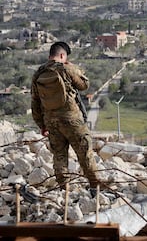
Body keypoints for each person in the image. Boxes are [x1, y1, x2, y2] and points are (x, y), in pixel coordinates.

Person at [31, 41, 100, 190]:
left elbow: (35, 103)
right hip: (72, 120)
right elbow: (84, 85)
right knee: (84, 153)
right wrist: (72, 66)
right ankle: (95, 187)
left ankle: (64, 189)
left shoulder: (38, 73)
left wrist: (42, 125)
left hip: (51, 122)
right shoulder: (67, 69)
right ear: (63, 55)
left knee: (59, 156)